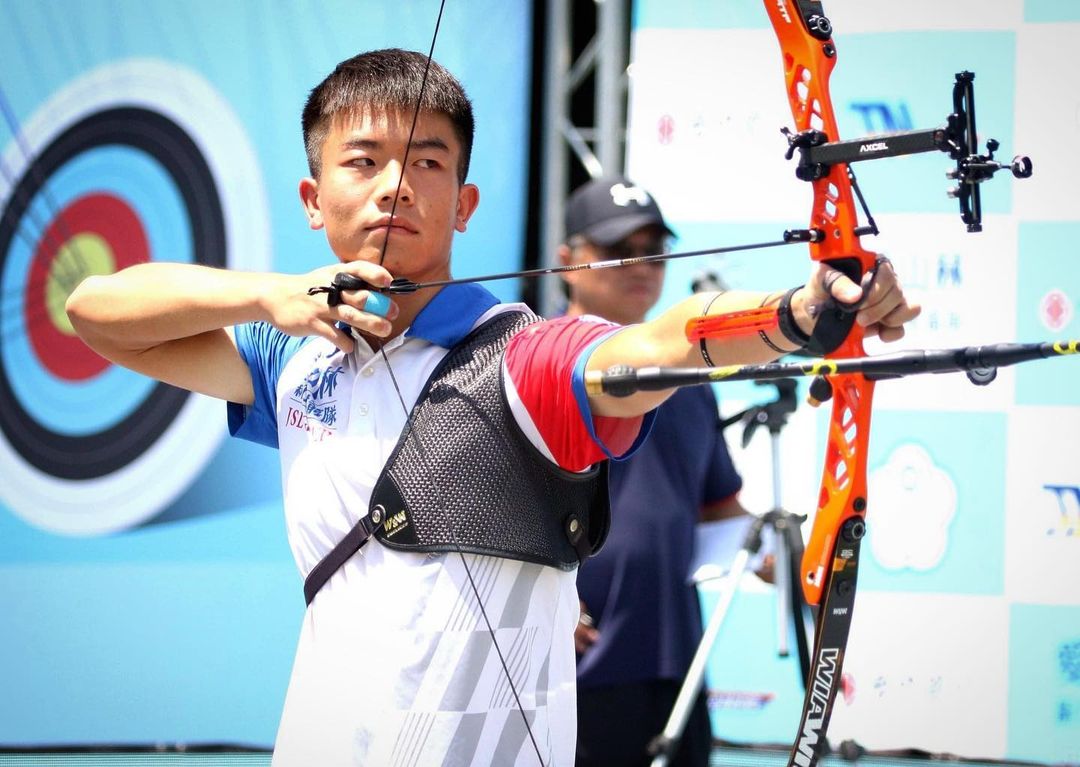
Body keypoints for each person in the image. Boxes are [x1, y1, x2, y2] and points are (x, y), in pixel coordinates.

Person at [65, 49, 919, 767]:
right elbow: (96, 309)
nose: (396, 185)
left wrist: (801, 315)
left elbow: (656, 346)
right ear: (311, 198)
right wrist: (274, 296)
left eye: (428, 161)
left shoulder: (521, 353)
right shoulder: (289, 357)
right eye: (362, 160)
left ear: (465, 204)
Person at [560, 176, 748, 767]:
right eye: (618, 249)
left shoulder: (689, 378)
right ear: (568, 261)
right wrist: (539, 610)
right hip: (568, 664)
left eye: (654, 249)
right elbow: (477, 504)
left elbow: (718, 505)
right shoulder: (533, 361)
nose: (640, 265)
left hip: (676, 663)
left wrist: (778, 549)